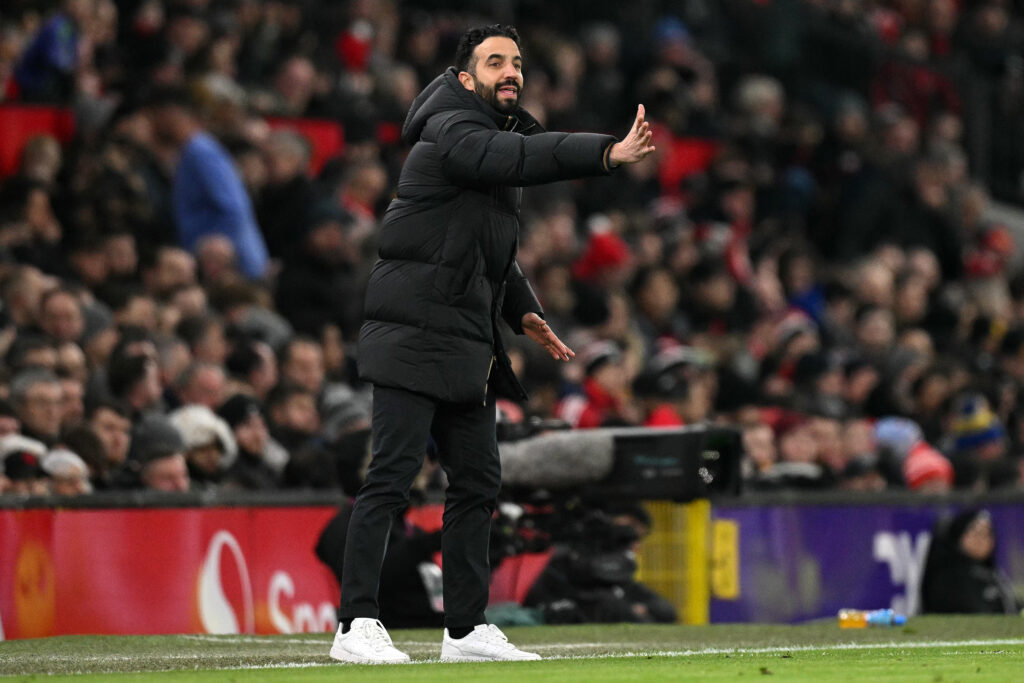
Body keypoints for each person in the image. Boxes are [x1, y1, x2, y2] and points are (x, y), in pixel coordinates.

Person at [330, 24, 654, 665]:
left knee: (478, 483)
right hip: (412, 335)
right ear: (464, 78)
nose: (512, 72)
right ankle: (356, 622)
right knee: (391, 479)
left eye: (518, 63)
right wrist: (606, 153)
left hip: (465, 341)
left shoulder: (488, 143)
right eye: (496, 62)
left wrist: (523, 309)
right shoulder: (450, 133)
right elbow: (525, 158)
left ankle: (465, 629)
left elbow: (489, 251)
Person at [921, 509, 1022, 614]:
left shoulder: (992, 572)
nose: (980, 540)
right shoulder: (948, 575)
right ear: (959, 535)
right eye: (974, 533)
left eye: (987, 534)